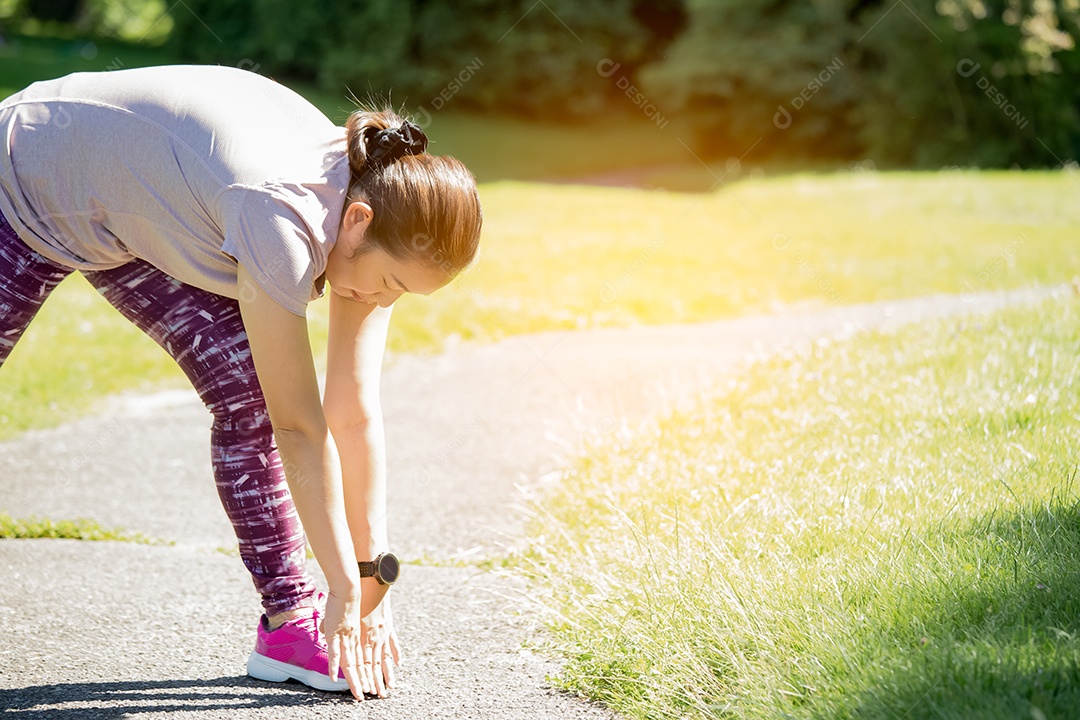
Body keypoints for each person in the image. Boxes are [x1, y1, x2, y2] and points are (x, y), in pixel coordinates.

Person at [0, 64, 482, 701]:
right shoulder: (279, 215)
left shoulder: (371, 215)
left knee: (246, 397)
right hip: (27, 174)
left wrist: (372, 583)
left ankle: (288, 625)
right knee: (269, 402)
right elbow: (301, 426)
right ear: (359, 221)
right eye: (390, 284)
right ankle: (308, 603)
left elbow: (354, 412)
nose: (382, 299)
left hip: (128, 212)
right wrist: (341, 586)